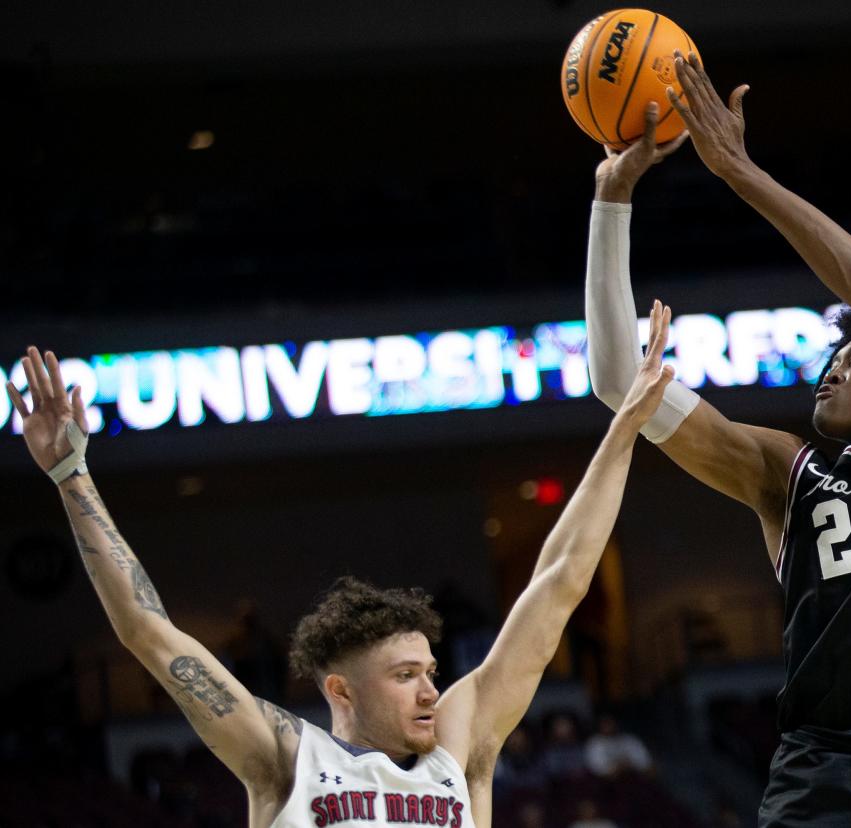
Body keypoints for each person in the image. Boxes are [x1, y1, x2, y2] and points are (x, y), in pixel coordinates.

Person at [6, 304, 677, 828]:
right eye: (406, 675)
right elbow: (149, 634)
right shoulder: (287, 758)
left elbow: (558, 582)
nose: (428, 692)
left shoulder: (457, 749)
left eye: (429, 673)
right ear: (341, 691)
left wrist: (623, 428)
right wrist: (71, 474)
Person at [585, 56, 851, 825]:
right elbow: (621, 383)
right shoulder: (786, 470)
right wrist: (611, 202)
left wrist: (739, 173)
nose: (832, 371)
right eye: (833, 358)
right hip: (819, 767)